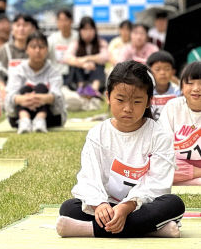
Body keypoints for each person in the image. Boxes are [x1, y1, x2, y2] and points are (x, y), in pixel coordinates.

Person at [56, 60, 185, 238]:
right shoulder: (97, 134)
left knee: (174, 204)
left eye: (137, 101)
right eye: (120, 100)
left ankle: (86, 230)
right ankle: (152, 229)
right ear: (108, 97)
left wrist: (127, 206)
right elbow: (89, 177)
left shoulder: (159, 135)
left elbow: (157, 184)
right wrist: (100, 204)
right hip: (107, 206)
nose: (128, 108)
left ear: (148, 102)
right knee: (69, 208)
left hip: (142, 205)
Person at [6, 31, 66, 134]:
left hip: (50, 118)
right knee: (25, 89)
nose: (37, 51)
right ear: (26, 50)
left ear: (47, 49)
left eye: (41, 47)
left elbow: (57, 96)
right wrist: (23, 99)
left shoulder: (54, 72)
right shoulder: (18, 70)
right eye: (33, 47)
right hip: (19, 117)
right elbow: (10, 96)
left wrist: (38, 98)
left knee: (41, 87)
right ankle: (25, 120)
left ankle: (40, 119)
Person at [0, 14, 35, 115]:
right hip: (8, 90)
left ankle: (10, 104)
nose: (21, 29)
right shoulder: (4, 49)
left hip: (33, 90)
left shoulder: (38, 48)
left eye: (25, 25)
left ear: (32, 28)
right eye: (18, 25)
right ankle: (9, 102)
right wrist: (2, 89)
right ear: (13, 28)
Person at [159, 61, 201, 185]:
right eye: (190, 83)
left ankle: (186, 181)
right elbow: (163, 145)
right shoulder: (173, 106)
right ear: (181, 87)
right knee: (156, 165)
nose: (196, 88)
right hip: (176, 164)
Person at [65, 16, 109, 98]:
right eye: (84, 29)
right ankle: (81, 89)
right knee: (75, 64)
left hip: (96, 79)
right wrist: (82, 64)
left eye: (90, 29)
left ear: (95, 30)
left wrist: (87, 58)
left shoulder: (101, 43)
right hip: (77, 81)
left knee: (99, 64)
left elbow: (105, 57)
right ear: (80, 31)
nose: (88, 32)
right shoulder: (75, 44)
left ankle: (93, 90)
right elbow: (67, 58)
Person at [148, 51, 180, 120]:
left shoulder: (178, 92)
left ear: (173, 72)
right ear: (150, 72)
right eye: (157, 69)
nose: (162, 73)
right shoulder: (146, 92)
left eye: (167, 69)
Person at [48, 9, 77, 85]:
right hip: (57, 74)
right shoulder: (52, 39)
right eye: (60, 20)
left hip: (75, 75)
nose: (63, 23)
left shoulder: (78, 37)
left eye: (66, 20)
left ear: (71, 21)